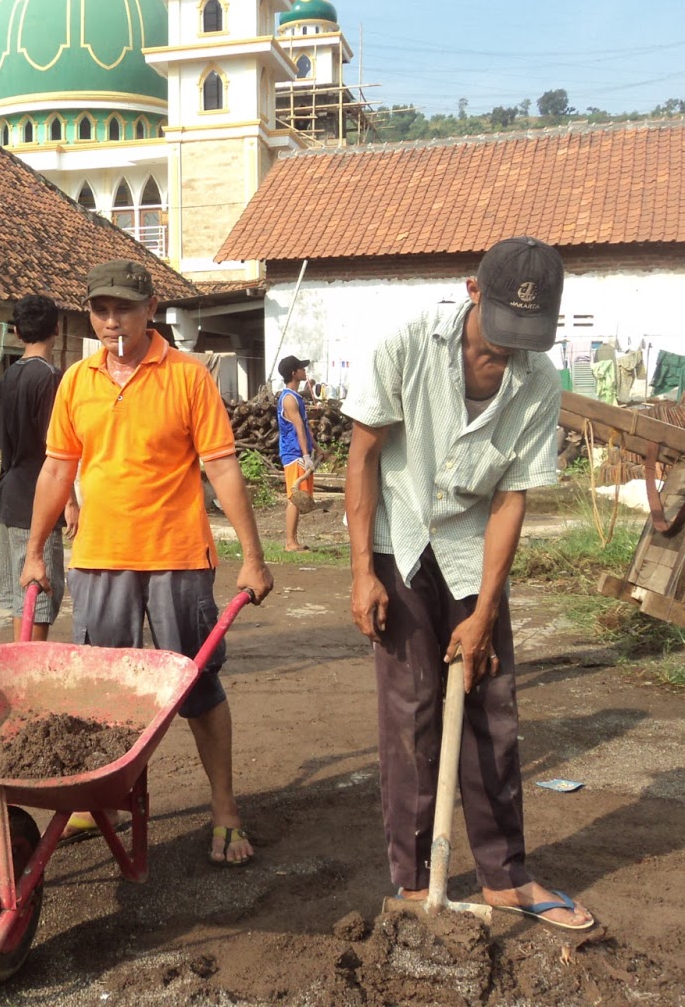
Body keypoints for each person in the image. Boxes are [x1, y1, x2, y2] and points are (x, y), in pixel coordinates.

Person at [343, 236, 595, 930]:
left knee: (494, 713)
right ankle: (411, 882)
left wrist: (484, 613)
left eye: (527, 337)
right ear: (471, 290)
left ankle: (505, 877)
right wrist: (362, 571)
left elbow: (513, 499)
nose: (507, 351)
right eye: (500, 333)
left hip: (471, 554)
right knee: (411, 720)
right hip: (401, 545)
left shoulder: (540, 383)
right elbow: (363, 455)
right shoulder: (406, 345)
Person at [20, 259, 274, 865]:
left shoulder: (188, 377)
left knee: (196, 685)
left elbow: (221, 466)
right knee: (104, 691)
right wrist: (34, 553)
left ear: (149, 309)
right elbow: (57, 468)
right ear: (91, 314)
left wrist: (253, 555)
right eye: (102, 310)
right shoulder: (75, 381)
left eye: (125, 309)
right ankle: (101, 797)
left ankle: (224, 809)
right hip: (100, 560)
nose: (113, 321)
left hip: (178, 558)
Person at [0, 295, 79, 641]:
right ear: (57, 329)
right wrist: (69, 500)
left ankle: (21, 659)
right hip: (38, 495)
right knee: (39, 589)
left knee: (21, 591)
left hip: (10, 492)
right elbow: (56, 450)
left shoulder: (8, 376)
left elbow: (3, 443)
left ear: (15, 331)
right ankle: (28, 666)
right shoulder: (53, 379)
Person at [275, 355, 318, 553]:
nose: (304, 370)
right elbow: (299, 428)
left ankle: (293, 540)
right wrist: (305, 455)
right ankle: (290, 542)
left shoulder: (294, 397)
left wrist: (316, 448)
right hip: (293, 453)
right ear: (294, 373)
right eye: (301, 367)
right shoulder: (290, 399)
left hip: (299, 452)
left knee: (299, 496)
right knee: (294, 497)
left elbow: (305, 428)